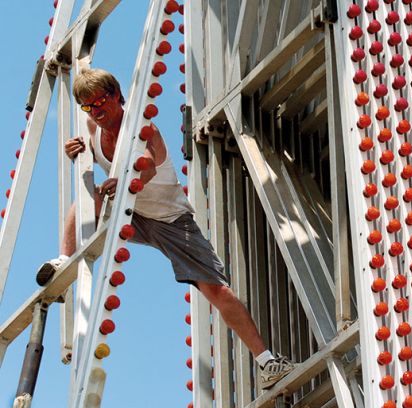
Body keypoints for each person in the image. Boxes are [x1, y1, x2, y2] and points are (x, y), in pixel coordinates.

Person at [36, 68, 294, 389]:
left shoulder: (142, 127)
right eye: (89, 106)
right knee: (88, 197)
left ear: (117, 95)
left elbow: (149, 162)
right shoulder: (92, 126)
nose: (97, 111)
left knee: (216, 289)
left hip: (169, 219)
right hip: (128, 212)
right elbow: (88, 156)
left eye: (101, 102)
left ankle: (267, 361)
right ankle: (64, 259)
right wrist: (77, 149)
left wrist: (130, 181)